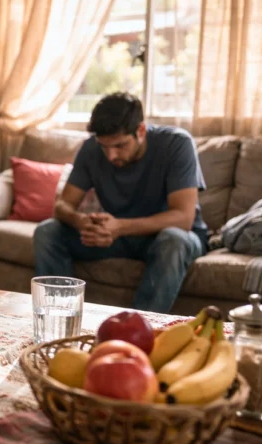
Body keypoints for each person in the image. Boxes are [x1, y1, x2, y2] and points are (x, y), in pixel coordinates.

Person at [33, 92, 208, 313]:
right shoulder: (90, 149)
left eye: (120, 145)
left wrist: (120, 227)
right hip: (118, 236)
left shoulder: (176, 143)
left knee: (173, 240)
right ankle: (59, 317)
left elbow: (183, 218)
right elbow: (62, 205)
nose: (111, 155)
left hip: (167, 237)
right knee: (48, 231)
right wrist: (81, 222)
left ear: (141, 131)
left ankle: (137, 330)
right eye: (104, 147)